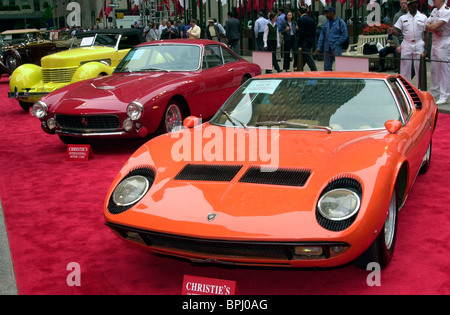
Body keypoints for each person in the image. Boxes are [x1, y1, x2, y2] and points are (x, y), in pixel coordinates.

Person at [393, 0, 429, 86]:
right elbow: (397, 32)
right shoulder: (403, 18)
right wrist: (392, 31)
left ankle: (420, 88)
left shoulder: (423, 17)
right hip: (407, 43)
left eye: (411, 4)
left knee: (419, 68)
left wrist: (427, 48)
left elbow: (426, 33)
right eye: (408, 4)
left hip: (419, 42)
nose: (409, 6)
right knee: (405, 69)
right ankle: (405, 88)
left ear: (416, 4)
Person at [426, 0, 450, 105]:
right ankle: (434, 93)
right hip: (435, 40)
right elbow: (426, 25)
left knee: (444, 70)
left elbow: (434, 25)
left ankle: (444, 95)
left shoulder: (446, 10)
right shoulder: (434, 10)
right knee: (434, 69)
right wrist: (434, 30)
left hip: (444, 41)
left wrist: (432, 28)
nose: (433, 1)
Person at [314, 7, 348, 71]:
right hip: (327, 47)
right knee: (327, 67)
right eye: (325, 13)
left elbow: (345, 35)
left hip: (336, 47)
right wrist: (319, 47)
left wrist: (338, 42)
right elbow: (322, 36)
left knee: (339, 65)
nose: (326, 15)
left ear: (332, 13)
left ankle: (339, 80)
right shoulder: (325, 24)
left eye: (327, 13)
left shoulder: (340, 22)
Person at [297, 6, 317, 71]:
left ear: (299, 12)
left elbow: (301, 33)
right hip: (310, 40)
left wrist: (299, 42)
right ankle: (299, 69)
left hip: (304, 42)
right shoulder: (311, 19)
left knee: (308, 57)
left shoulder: (301, 20)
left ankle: (314, 70)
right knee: (303, 57)